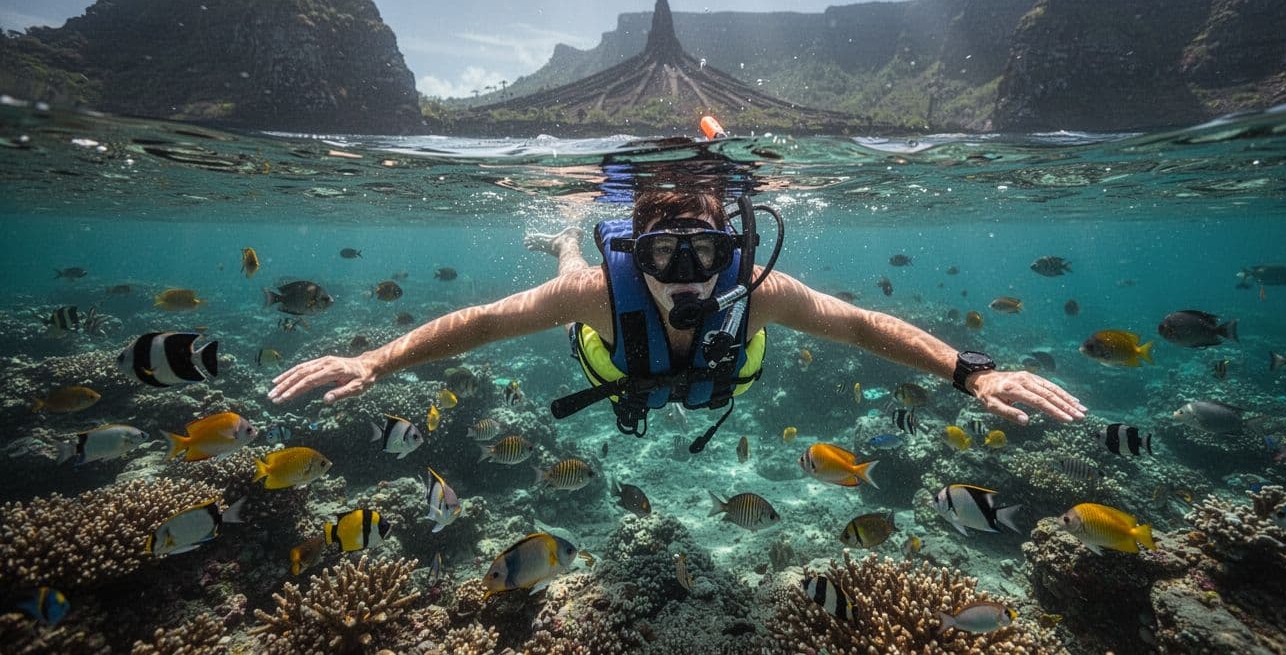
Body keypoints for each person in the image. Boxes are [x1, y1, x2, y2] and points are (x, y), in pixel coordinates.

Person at [268, 187, 1086, 438]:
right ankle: (561, 240)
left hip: (715, 381)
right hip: (611, 359)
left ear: (734, 250)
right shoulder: (600, 290)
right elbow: (482, 323)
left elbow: (863, 326)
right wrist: (375, 359)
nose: (688, 275)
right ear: (636, 258)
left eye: (706, 253)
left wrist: (970, 370)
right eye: (663, 257)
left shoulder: (761, 293)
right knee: (563, 287)